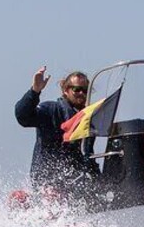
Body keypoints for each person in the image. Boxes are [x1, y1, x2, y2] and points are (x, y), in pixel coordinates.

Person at [14, 66, 98, 198]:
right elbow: (23, 117)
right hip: (47, 180)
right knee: (53, 195)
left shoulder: (87, 118)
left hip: (75, 181)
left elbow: (88, 155)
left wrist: (101, 183)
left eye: (85, 90)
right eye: (77, 89)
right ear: (65, 90)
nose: (81, 93)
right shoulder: (51, 110)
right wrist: (35, 91)